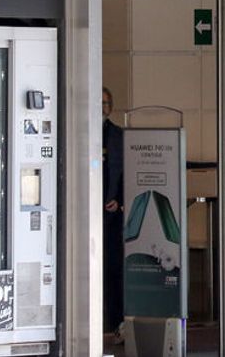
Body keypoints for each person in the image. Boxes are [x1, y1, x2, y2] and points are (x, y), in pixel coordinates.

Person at [101, 87, 124, 337]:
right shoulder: (79, 132)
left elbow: (127, 172)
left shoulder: (119, 135)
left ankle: (116, 323)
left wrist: (119, 200)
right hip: (83, 216)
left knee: (113, 269)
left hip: (111, 215)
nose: (102, 107)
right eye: (98, 103)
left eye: (106, 103)